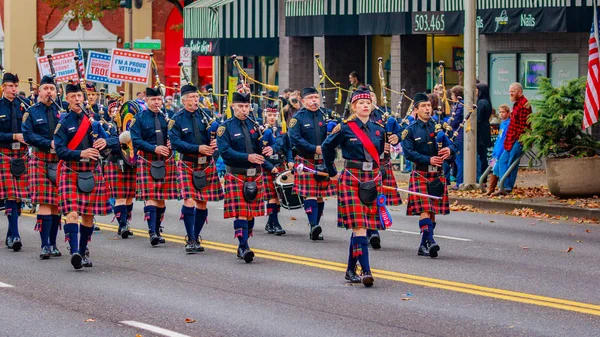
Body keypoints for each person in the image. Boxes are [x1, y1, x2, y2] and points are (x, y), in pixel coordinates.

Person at [322, 88, 389, 287]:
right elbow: (327, 147)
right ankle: (366, 271)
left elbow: (382, 155)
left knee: (363, 226)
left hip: (372, 178)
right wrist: (332, 171)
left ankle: (351, 269)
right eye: (361, 103)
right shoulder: (345, 128)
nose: (365, 105)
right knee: (360, 225)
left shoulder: (379, 129)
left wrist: (381, 173)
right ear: (354, 106)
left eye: (368, 102)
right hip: (351, 178)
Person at [54, 83, 118, 269]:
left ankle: (82, 251)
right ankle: (74, 251)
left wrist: (104, 141)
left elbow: (115, 141)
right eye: (73, 96)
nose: (77, 99)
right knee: (73, 214)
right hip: (71, 171)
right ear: (67, 99)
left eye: (79, 96)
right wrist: (81, 153)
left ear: (83, 98)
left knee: (88, 217)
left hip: (91, 172)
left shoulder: (94, 123)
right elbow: (60, 151)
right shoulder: (63, 124)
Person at [216, 91, 273, 263]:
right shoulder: (225, 128)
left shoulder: (255, 126)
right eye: (240, 106)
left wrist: (269, 150)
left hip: (255, 175)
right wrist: (247, 157)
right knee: (241, 213)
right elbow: (225, 152)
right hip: (237, 174)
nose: (244, 110)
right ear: (233, 106)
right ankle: (243, 246)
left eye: (247, 106)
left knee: (250, 214)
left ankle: (245, 241)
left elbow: (262, 147)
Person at [169, 83, 224, 253]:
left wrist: (216, 142)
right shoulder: (176, 120)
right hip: (188, 163)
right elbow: (175, 143)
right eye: (192, 97)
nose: (195, 100)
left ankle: (196, 235)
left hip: (206, 163)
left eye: (197, 97)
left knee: (202, 202)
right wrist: (197, 148)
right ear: (184, 100)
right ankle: (190, 238)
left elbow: (218, 133)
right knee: (189, 200)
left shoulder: (207, 116)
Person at [402, 92, 455, 258]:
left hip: (437, 175)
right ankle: (430, 241)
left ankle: (423, 245)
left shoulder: (441, 127)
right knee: (425, 208)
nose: (427, 109)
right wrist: (428, 159)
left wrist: (450, 151)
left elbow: (454, 146)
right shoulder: (409, 130)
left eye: (429, 106)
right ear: (416, 110)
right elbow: (408, 153)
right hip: (421, 173)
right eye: (423, 106)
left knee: (432, 211)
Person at [130, 87, 179, 246]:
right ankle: (152, 232)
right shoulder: (139, 118)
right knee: (151, 196)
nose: (156, 102)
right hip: (148, 158)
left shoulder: (169, 117)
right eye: (153, 100)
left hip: (166, 159)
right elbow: (135, 140)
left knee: (161, 199)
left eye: (159, 99)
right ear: (147, 100)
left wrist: (173, 142)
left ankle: (157, 229)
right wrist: (154, 148)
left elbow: (178, 136)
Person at [22, 75, 63, 259]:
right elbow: (28, 135)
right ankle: (44, 245)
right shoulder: (32, 112)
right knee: (46, 203)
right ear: (39, 91)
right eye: (46, 88)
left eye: (52, 89)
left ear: (56, 91)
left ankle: (53, 244)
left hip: (60, 161)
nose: (49, 92)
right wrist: (49, 143)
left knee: (57, 205)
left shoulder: (62, 112)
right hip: (40, 158)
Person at [289, 87, 337, 241]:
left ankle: (316, 225)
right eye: (310, 98)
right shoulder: (298, 118)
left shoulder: (327, 114)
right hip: (306, 160)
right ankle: (313, 225)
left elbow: (340, 131)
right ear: (303, 101)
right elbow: (295, 138)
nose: (314, 101)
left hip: (324, 160)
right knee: (310, 194)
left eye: (316, 97)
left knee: (320, 196)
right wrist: (314, 148)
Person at [367, 87, 401, 249]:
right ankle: (372, 231)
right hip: (365, 164)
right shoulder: (355, 120)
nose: (370, 101)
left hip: (383, 164)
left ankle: (372, 229)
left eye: (372, 98)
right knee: (368, 197)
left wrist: (395, 138)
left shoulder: (384, 117)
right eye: (366, 99)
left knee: (377, 198)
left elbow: (400, 132)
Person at [0, 72, 29, 251]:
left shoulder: (24, 107)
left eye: (16, 86)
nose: (14, 89)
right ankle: (16, 235)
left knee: (18, 196)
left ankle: (11, 235)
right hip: (4, 152)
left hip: (22, 154)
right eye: (10, 86)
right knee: (12, 194)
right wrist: (14, 136)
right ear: (3, 87)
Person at [104, 98, 137, 240]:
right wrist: (120, 139)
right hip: (116, 162)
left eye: (117, 110)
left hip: (131, 162)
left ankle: (125, 223)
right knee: (120, 197)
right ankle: (122, 225)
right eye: (112, 110)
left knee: (129, 197)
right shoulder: (109, 126)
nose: (115, 112)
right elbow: (107, 141)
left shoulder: (132, 125)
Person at [491, 83, 531, 196]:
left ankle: (506, 187)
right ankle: (503, 186)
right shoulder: (517, 104)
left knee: (510, 162)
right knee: (503, 161)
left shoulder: (524, 104)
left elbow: (523, 126)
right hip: (510, 140)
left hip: (517, 140)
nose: (510, 93)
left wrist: (519, 140)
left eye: (512, 91)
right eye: (509, 91)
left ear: (520, 92)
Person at [262, 106, 294, 236]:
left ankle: (271, 223)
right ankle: (275, 224)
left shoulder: (282, 131)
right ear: (265, 116)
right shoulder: (260, 132)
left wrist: (290, 160)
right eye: (269, 115)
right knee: (272, 197)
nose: (272, 118)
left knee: (278, 197)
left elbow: (288, 148)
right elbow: (258, 154)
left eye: (274, 115)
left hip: (280, 165)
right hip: (267, 167)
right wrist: (270, 167)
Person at [487, 104, 511, 195]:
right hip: (496, 152)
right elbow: (499, 139)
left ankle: (499, 187)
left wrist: (499, 151)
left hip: (501, 151)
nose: (501, 114)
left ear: (508, 113)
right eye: (500, 112)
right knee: (493, 168)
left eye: (503, 112)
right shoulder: (502, 124)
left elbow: (504, 139)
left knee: (497, 168)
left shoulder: (508, 124)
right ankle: (491, 188)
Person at [449, 86, 464, 189]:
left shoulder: (459, 105)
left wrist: (448, 122)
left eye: (452, 94)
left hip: (458, 135)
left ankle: (460, 182)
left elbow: (453, 121)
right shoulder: (459, 105)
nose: (451, 96)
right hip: (459, 134)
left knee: (459, 160)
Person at [476, 83, 493, 178]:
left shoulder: (481, 102)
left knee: (481, 155)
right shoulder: (487, 101)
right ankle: (484, 176)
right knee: (483, 155)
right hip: (485, 130)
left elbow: (478, 118)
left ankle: (482, 176)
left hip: (480, 132)